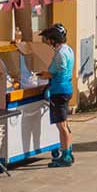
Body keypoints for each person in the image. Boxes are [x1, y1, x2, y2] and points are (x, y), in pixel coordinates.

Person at [38, 24, 75, 167]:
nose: (48, 43)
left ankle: (65, 157)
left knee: (61, 126)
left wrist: (44, 75)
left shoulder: (60, 53)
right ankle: (68, 152)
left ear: (54, 40)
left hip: (59, 91)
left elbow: (58, 71)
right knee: (64, 124)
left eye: (48, 40)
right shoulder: (68, 49)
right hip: (66, 89)